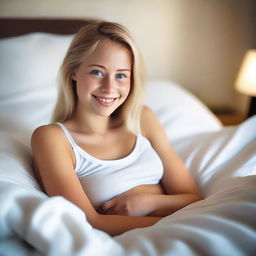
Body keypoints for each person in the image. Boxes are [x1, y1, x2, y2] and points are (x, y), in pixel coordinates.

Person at [31, 20, 203, 236]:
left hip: (183, 232)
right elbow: (88, 223)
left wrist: (146, 203)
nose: (109, 88)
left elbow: (193, 199)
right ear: (74, 71)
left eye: (121, 75)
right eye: (97, 72)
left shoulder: (143, 119)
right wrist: (171, 224)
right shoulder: (52, 138)